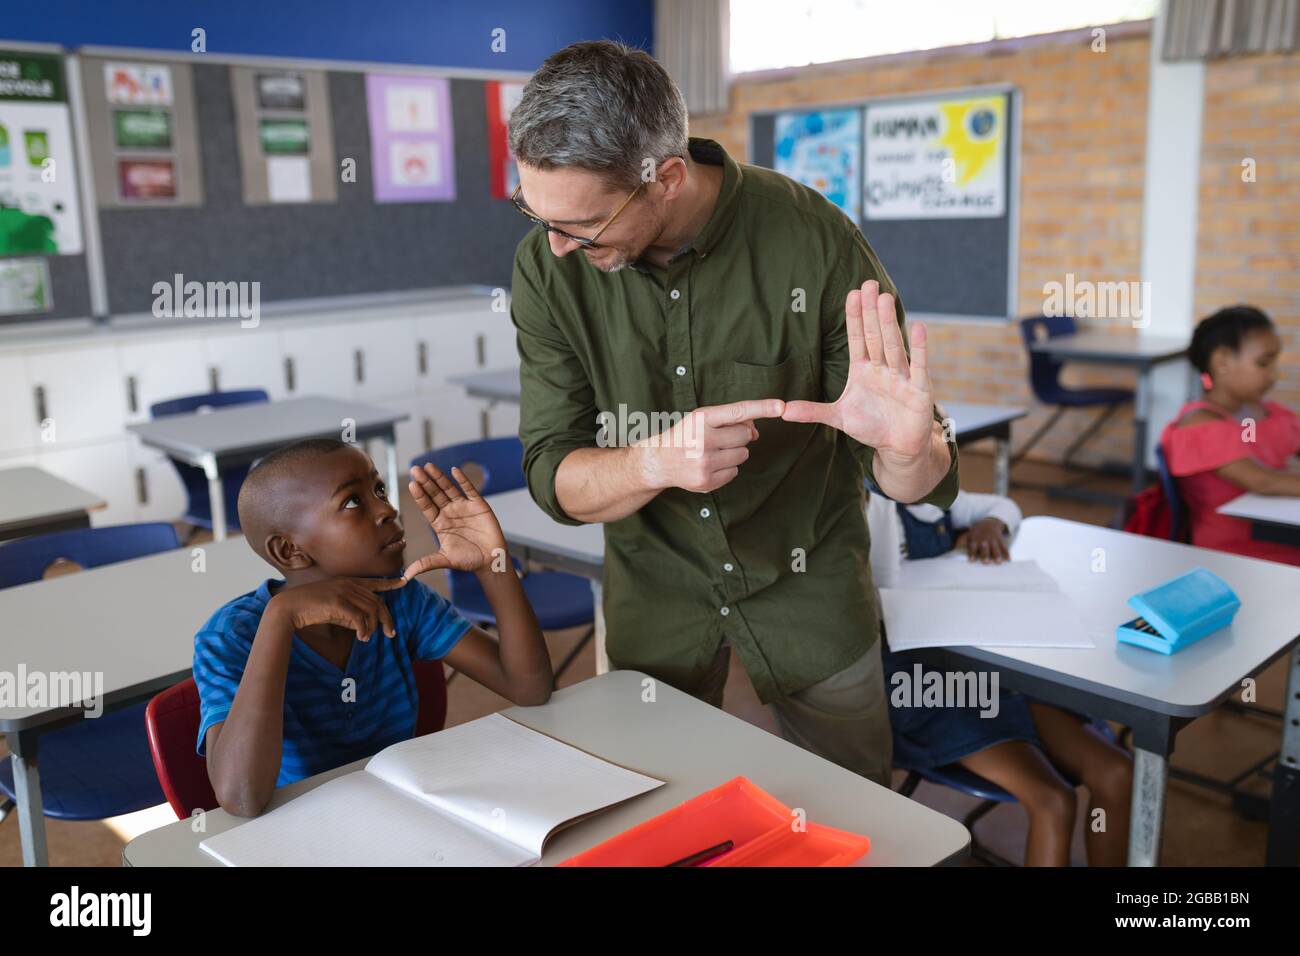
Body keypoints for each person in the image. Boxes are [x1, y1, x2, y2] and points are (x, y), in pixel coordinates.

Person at [506, 39, 958, 789]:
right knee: (645, 808)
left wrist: (909, 455)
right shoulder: (545, 268)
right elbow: (554, 477)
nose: (555, 248)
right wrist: (654, 460)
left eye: (582, 227)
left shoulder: (815, 241)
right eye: (534, 213)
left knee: (853, 806)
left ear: (667, 177)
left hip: (808, 581)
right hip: (654, 588)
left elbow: (915, 484)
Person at [192, 438, 552, 817]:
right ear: (290, 551)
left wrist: (491, 563)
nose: (387, 509)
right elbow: (241, 797)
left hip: (401, 812)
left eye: (378, 489)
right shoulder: (231, 637)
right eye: (352, 501)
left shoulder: (402, 600)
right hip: (298, 832)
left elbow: (528, 687)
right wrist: (281, 619)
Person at [866, 487, 1133, 866]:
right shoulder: (873, 505)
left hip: (999, 675)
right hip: (928, 691)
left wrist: (990, 525)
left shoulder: (938, 495)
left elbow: (1003, 506)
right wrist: (952, 553)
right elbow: (878, 594)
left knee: (1118, 773)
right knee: (1054, 801)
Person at [1160, 305, 1300, 565]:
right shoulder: (1200, 424)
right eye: (1263, 362)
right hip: (1236, 548)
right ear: (1222, 361)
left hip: (1279, 530)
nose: (1274, 375)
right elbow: (1263, 481)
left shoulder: (1265, 412)